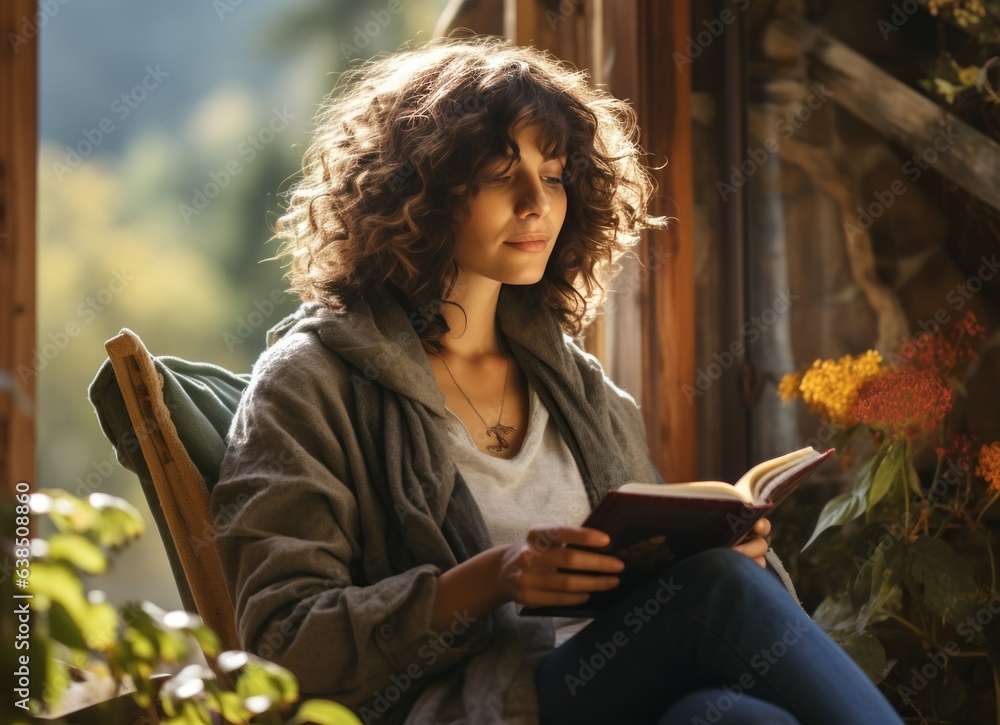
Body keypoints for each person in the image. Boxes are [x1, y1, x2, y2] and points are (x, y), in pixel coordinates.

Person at [211, 35, 903, 725]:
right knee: (713, 589)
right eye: (497, 170)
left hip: (622, 687)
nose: (534, 201)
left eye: (553, 173)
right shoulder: (308, 384)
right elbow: (281, 645)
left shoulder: (576, 383)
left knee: (734, 717)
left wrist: (734, 548)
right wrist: (489, 578)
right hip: (481, 707)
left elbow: (663, 577)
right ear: (415, 190)